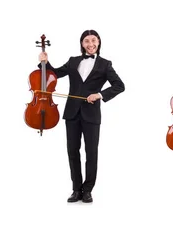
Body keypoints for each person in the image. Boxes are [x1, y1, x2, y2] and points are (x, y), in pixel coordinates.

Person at [38, 30, 125, 203]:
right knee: (72, 152)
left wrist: (99, 95)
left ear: (99, 42)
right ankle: (76, 189)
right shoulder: (73, 61)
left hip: (91, 114)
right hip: (72, 113)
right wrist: (44, 63)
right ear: (82, 43)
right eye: (86, 41)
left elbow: (119, 85)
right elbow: (54, 74)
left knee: (91, 153)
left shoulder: (105, 64)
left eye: (93, 40)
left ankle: (88, 190)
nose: (90, 44)